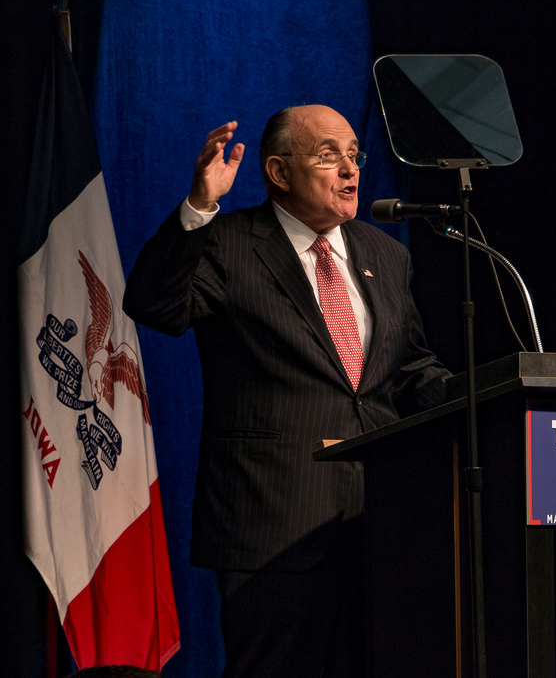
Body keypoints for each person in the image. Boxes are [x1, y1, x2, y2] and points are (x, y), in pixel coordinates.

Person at [123, 105, 450, 677]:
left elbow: (409, 368)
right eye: (328, 156)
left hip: (381, 524)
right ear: (278, 171)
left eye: (354, 155)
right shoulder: (228, 243)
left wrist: (482, 398)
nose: (349, 169)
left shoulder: (386, 254)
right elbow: (155, 305)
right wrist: (199, 207)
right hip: (273, 524)